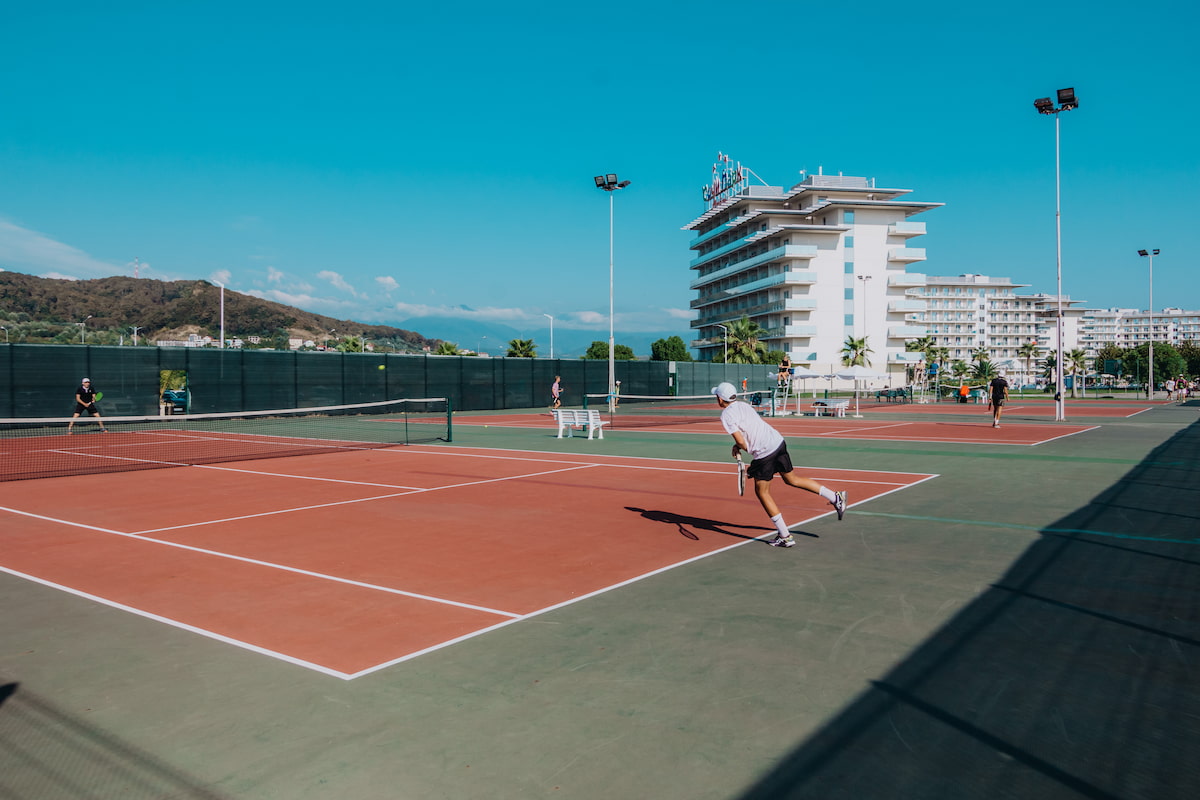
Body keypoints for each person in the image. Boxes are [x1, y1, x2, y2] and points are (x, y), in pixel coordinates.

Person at [712, 382, 846, 548]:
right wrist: (738, 446)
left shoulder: (726, 415)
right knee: (792, 479)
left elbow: (741, 440)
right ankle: (835, 497)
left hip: (764, 453)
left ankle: (785, 536)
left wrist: (743, 448)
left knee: (762, 492)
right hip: (777, 442)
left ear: (719, 398)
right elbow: (749, 430)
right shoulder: (743, 405)